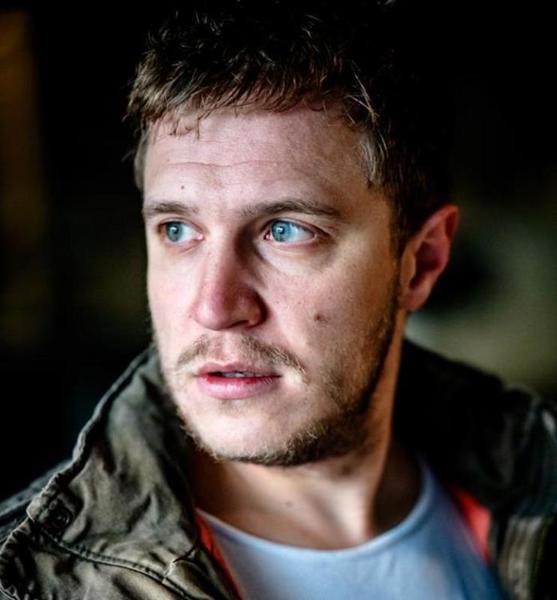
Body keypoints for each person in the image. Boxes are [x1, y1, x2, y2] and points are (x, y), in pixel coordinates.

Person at [0, 2, 555, 599]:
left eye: (285, 231)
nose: (215, 308)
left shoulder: (533, 485)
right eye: (178, 230)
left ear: (420, 262)